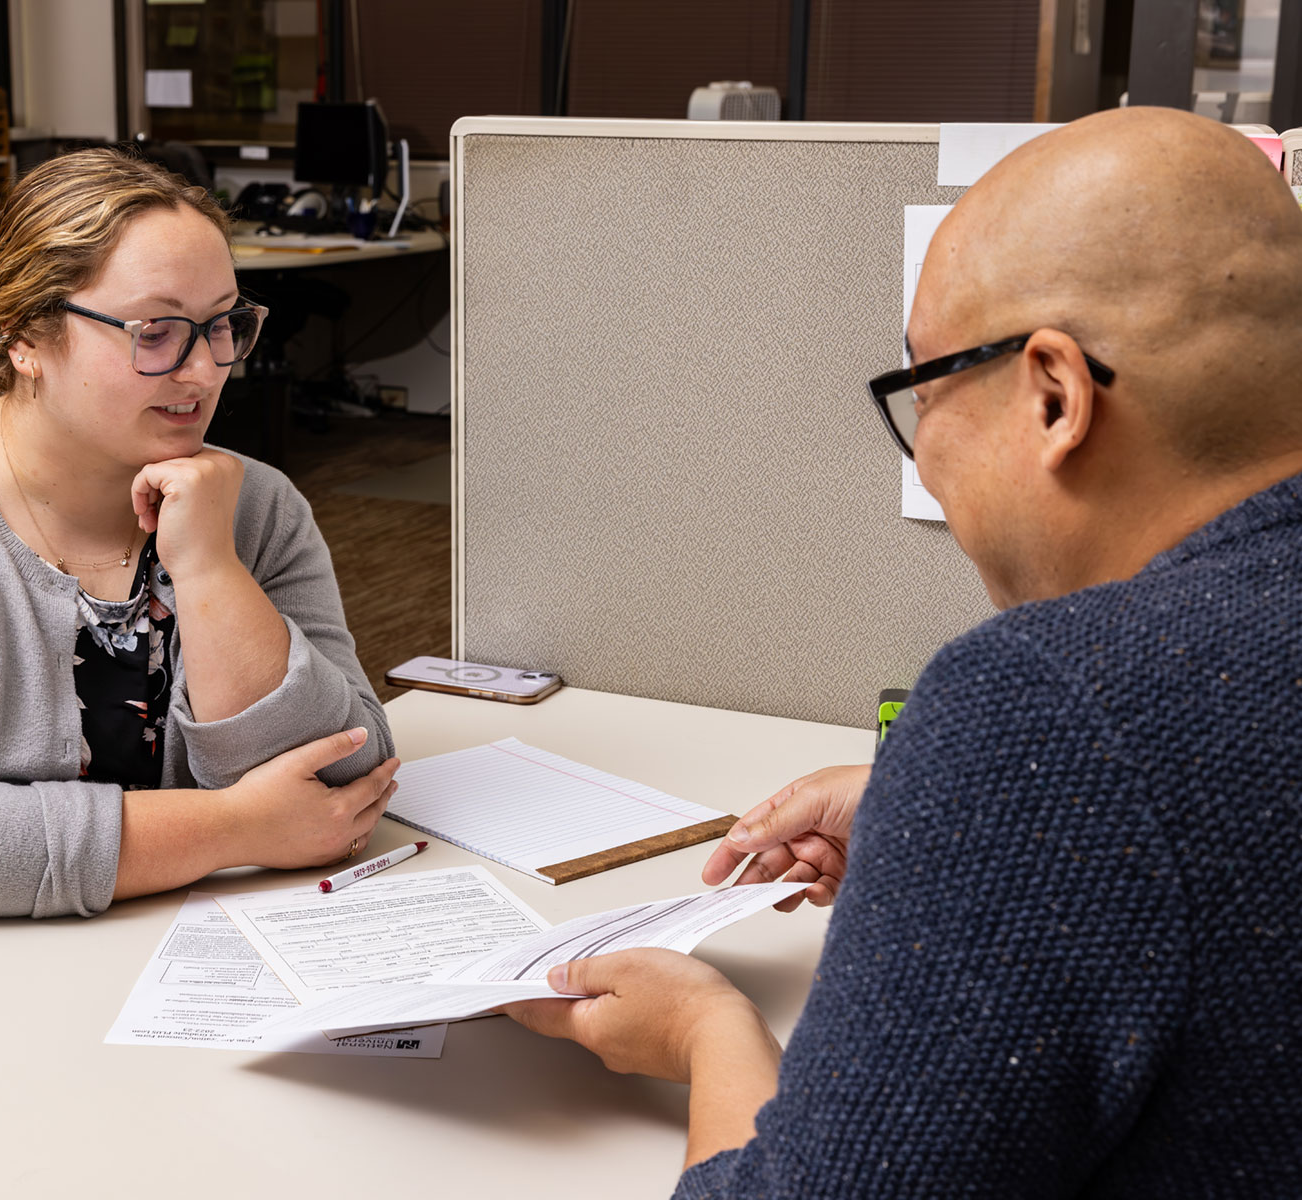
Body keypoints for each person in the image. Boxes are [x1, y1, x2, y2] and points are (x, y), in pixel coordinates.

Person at [505, 107, 1302, 1195]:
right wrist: (922, 809)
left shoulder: (1052, 707)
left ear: (1055, 396)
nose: (926, 461)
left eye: (925, 394)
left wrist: (707, 1032)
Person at [0, 149, 399, 988]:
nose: (203, 370)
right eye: (154, 332)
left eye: (223, 324)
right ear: (25, 338)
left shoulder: (251, 505)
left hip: (161, 954)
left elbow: (344, 780)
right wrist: (234, 826)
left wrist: (209, 567)